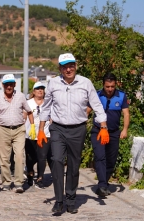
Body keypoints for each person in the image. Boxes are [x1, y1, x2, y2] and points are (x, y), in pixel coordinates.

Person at [37, 53, 109, 214]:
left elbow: (97, 106)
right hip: (57, 128)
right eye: (64, 66)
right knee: (56, 160)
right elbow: (46, 107)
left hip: (78, 129)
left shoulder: (85, 83)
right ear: (60, 69)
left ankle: (70, 199)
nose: (68, 69)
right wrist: (41, 130)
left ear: (76, 66)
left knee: (74, 166)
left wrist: (103, 127)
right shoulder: (53, 84)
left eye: (71, 65)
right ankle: (59, 201)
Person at [0, 74, 36, 193]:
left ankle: (19, 183)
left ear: (15, 84)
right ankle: (6, 182)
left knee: (20, 156)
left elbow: (29, 111)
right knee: (4, 158)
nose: (9, 86)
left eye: (11, 84)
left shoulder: (20, 96)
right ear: (3, 85)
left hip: (19, 129)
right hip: (3, 130)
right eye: (7, 84)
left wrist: (32, 126)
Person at [87, 73, 130, 197]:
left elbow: (126, 114)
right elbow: (87, 112)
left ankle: (104, 183)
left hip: (114, 133)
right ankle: (102, 185)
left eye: (112, 86)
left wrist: (125, 129)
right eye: (107, 86)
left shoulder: (121, 96)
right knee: (100, 157)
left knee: (111, 160)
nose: (110, 89)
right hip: (98, 131)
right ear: (103, 85)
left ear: (115, 84)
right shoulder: (97, 95)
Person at [24, 81, 52, 189]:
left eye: (42, 89)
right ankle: (30, 174)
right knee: (30, 158)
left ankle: (40, 178)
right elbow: (24, 116)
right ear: (34, 91)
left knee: (42, 157)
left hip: (45, 133)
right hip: (30, 134)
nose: (40, 90)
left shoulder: (48, 103)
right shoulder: (28, 103)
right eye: (37, 89)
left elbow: (52, 117)